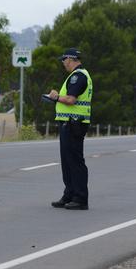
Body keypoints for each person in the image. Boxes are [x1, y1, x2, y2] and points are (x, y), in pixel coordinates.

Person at [48, 48, 93, 210]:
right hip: (70, 122)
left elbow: (71, 100)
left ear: (70, 59)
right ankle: (69, 194)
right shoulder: (76, 75)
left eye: (63, 59)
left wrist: (55, 97)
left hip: (73, 123)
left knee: (74, 161)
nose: (62, 63)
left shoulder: (78, 76)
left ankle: (80, 198)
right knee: (67, 161)